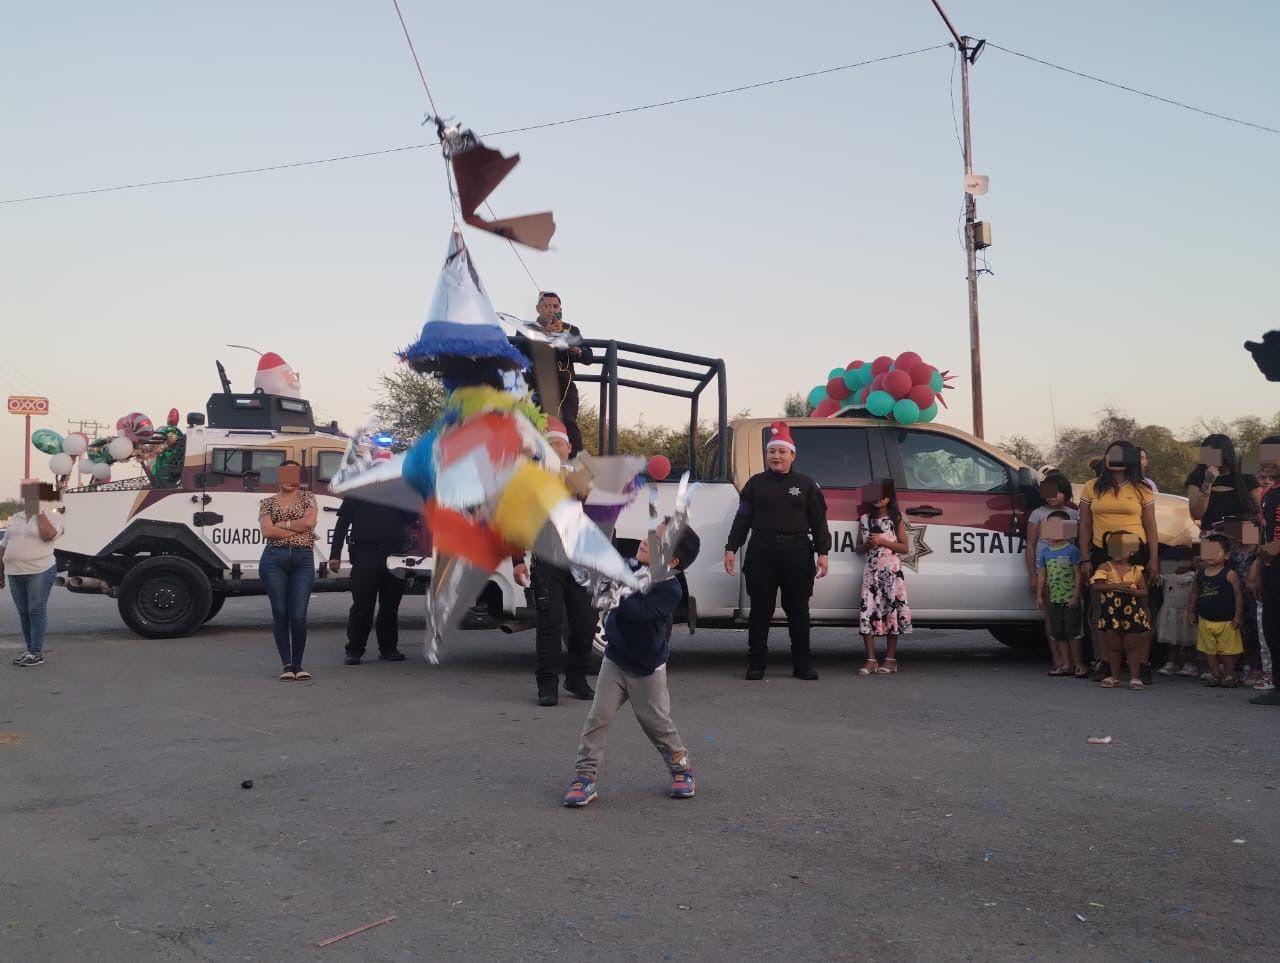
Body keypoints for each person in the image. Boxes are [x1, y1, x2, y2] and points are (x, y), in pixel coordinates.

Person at [562, 520, 702, 808]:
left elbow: (638, 612)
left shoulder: (670, 589)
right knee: (597, 719)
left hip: (646, 668)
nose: (646, 540)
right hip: (616, 658)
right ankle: (585, 777)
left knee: (658, 725)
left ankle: (681, 769)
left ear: (672, 561)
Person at [724, 421, 830, 681]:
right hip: (762, 550)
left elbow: (819, 520)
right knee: (761, 610)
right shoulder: (755, 484)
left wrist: (823, 552)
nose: (776, 456)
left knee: (798, 610)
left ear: (793, 455)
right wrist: (731, 548)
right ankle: (756, 664)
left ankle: (802, 664)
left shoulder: (806, 484)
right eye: (772, 451)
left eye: (782, 451)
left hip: (797, 551)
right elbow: (742, 518)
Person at [531, 417, 596, 706]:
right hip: (547, 561)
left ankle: (576, 678)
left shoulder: (580, 475)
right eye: (550, 445)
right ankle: (547, 684)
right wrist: (517, 560)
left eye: (560, 444)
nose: (556, 448)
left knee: (585, 622)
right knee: (550, 623)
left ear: (569, 448)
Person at [1186, 434, 1262, 681]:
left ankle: (1252, 662)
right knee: (1212, 591)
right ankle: (1213, 663)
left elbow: (1259, 511)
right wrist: (1208, 482)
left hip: (1244, 540)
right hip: (1212, 538)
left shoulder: (1245, 476)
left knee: (1246, 597)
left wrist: (1256, 544)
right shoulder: (1198, 477)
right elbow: (1196, 512)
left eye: (1214, 451)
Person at [329, 498, 417, 664]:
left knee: (390, 606)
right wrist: (335, 554)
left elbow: (413, 518)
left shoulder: (400, 491)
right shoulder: (358, 491)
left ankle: (388, 648)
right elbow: (342, 523)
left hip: (396, 553)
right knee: (362, 605)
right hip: (365, 553)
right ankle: (354, 649)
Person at [259, 461, 317, 681]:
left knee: (298, 615)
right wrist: (296, 527)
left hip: (303, 560)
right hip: (274, 560)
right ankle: (287, 665)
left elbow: (309, 524)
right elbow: (267, 531)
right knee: (280, 613)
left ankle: (298, 665)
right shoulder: (267, 502)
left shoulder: (308, 498)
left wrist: (282, 525)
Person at [1, 482, 63, 667]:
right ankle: (30, 651)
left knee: (36, 610)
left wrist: (39, 513)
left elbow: (48, 535)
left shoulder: (53, 517)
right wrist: (1, 570)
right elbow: (4, 544)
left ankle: (36, 653)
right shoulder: (16, 517)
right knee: (23, 612)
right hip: (14, 571)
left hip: (39, 569)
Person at [856, 480, 912, 676]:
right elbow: (857, 548)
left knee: (892, 612)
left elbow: (904, 547)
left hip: (891, 572)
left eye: (883, 494)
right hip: (871, 573)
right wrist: (868, 545)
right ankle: (870, 660)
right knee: (867, 612)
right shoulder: (864, 519)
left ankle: (890, 659)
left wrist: (882, 541)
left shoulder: (896, 518)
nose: (878, 498)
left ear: (890, 497)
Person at [530, 291, 593, 456]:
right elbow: (521, 351)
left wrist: (577, 350)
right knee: (536, 425)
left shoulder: (570, 330)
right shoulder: (528, 329)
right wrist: (543, 335)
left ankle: (577, 464)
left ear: (560, 309)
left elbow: (589, 356)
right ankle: (537, 463)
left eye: (555, 306)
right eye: (546, 306)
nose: (551, 309)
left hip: (565, 386)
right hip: (537, 386)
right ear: (538, 308)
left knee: (568, 423)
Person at [1090, 532, 1152, 690]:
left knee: (1132, 646)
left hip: (1131, 613)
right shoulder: (1104, 567)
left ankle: (1135, 677)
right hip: (1112, 613)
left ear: (1132, 551)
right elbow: (1096, 586)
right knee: (1114, 646)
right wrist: (1116, 586)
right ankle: (1114, 676)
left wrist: (1133, 591)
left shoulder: (1136, 570)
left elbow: (1144, 591)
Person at [1190, 533, 1244, 687]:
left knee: (1228, 651)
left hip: (1227, 621)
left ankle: (1229, 676)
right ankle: (1214, 675)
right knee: (1209, 651)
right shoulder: (1199, 574)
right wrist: (1191, 611)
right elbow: (1194, 593)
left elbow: (1238, 595)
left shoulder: (1230, 574)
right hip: (1205, 620)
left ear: (1226, 555)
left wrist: (1238, 616)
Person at [1036, 510, 1084, 677]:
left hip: (1069, 598)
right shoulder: (1046, 552)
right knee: (1058, 632)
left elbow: (1078, 575)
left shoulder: (1073, 550)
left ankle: (1079, 664)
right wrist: (1039, 595)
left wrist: (1076, 596)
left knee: (1073, 632)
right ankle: (1065, 664)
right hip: (1054, 598)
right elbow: (1042, 575)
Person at [1250, 436, 1280, 705]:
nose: (1266, 461)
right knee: (1272, 626)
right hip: (1271, 569)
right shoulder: (1269, 494)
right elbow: (1264, 535)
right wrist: (1258, 570)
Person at [1025, 473, 1078, 597]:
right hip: (1045, 572)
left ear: (1066, 492)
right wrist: (1032, 575)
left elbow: (1074, 543)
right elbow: (1030, 545)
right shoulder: (1037, 514)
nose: (1052, 496)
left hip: (1068, 572)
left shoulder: (1074, 515)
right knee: (1048, 606)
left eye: (1057, 492)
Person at [1156, 562, 1198, 678]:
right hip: (1170, 611)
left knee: (1189, 638)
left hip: (1186, 611)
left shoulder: (1193, 576)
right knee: (1172, 638)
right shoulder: (1167, 576)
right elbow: (1156, 579)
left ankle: (1191, 663)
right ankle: (1172, 662)